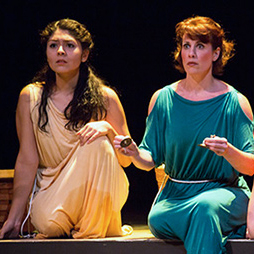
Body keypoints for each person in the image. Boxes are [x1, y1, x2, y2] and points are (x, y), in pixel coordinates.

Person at [114, 16, 254, 253]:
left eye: (200, 46)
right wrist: (135, 153)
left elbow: (250, 167)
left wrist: (228, 151)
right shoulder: (162, 99)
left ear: (216, 53)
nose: (191, 53)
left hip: (224, 193)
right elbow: (150, 159)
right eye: (186, 46)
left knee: (204, 209)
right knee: (159, 218)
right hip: (174, 197)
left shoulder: (236, 103)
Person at [0, 18, 132, 239]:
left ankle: (92, 230)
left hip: (97, 195)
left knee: (98, 142)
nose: (60, 51)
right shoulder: (31, 97)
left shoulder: (105, 97)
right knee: (51, 226)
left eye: (69, 45)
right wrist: (13, 219)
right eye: (53, 46)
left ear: (84, 54)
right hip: (52, 192)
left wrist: (108, 130)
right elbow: (27, 160)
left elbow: (127, 160)